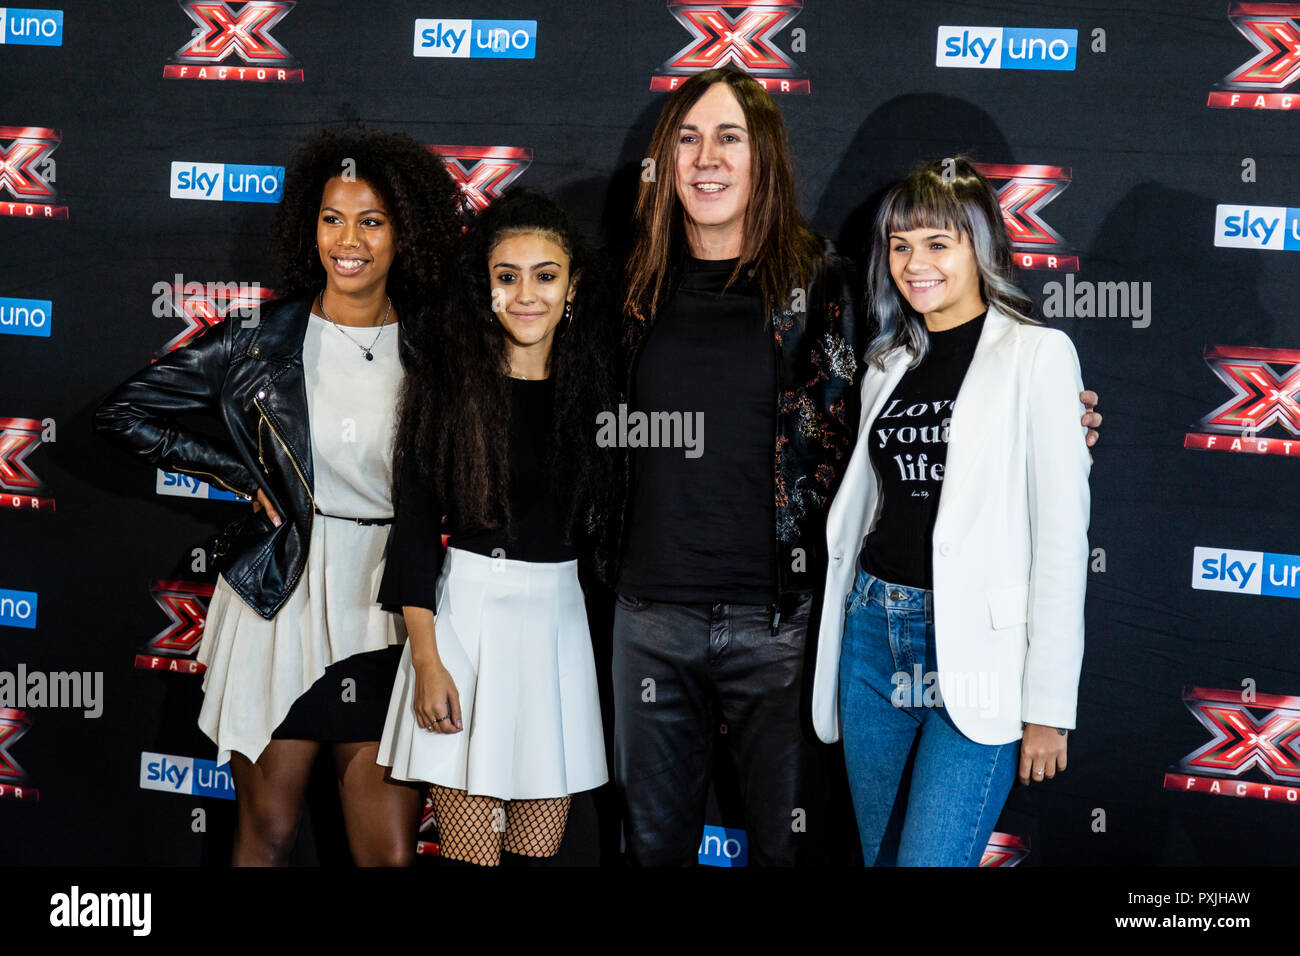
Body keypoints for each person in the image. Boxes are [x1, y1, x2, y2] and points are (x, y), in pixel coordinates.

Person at [605, 68, 1102, 866]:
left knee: (813, 849)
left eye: (729, 136)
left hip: (794, 628)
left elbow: (1043, 514)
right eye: (689, 138)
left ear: (763, 157)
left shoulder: (827, 284)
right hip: (693, 623)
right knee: (662, 847)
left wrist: (1059, 418)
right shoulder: (625, 291)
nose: (707, 157)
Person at [93, 129, 463, 865]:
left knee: (386, 855)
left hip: (392, 610)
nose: (348, 239)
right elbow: (123, 413)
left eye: (371, 220)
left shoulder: (437, 346)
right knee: (265, 835)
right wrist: (238, 473)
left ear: (406, 233)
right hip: (280, 603)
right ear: (309, 226)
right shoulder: (260, 338)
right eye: (332, 218)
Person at [810, 157, 1090, 866]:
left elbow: (1061, 539)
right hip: (873, 635)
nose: (915, 262)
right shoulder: (887, 363)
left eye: (938, 243)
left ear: (981, 246)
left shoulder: (1039, 356)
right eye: (901, 246)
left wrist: (1049, 707)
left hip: (979, 654)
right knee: (879, 856)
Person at [376, 189, 616, 867]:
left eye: (546, 276)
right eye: (506, 277)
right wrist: (426, 660)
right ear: (485, 287)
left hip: (561, 630)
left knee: (537, 856)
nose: (526, 294)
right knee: (470, 861)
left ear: (572, 288)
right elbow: (416, 531)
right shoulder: (447, 389)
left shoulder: (597, 393)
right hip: (465, 629)